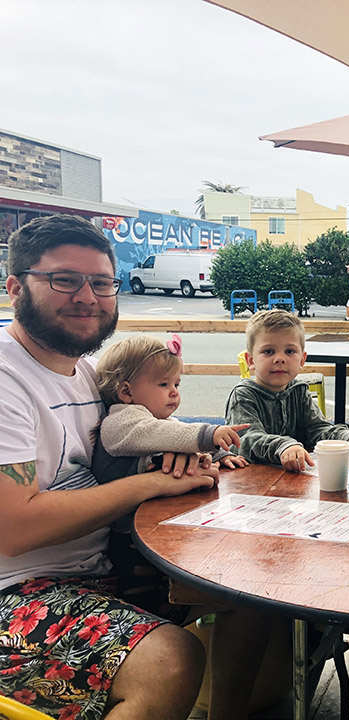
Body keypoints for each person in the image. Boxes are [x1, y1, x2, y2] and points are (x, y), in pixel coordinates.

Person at [0, 214, 212, 720]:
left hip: (105, 568)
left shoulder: (88, 373)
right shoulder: (7, 377)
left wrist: (177, 447)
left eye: (101, 283)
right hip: (19, 591)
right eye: (64, 280)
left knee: (256, 594)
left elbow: (145, 424)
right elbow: (14, 527)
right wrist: (150, 482)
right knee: (172, 659)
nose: (87, 297)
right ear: (14, 288)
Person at [91, 333, 248, 614]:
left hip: (155, 528)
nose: (174, 392)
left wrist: (221, 456)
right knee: (140, 593)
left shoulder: (162, 421)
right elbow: (163, 434)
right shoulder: (120, 421)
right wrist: (208, 434)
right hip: (127, 536)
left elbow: (178, 436)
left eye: (176, 383)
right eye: (163, 384)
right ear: (126, 392)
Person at [225, 309, 348, 471]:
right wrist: (283, 445)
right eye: (268, 351)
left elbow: (317, 429)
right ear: (251, 360)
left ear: (302, 360)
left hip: (293, 478)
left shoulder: (299, 391)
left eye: (290, 351)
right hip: (250, 478)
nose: (280, 359)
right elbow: (248, 440)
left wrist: (346, 437)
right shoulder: (243, 395)